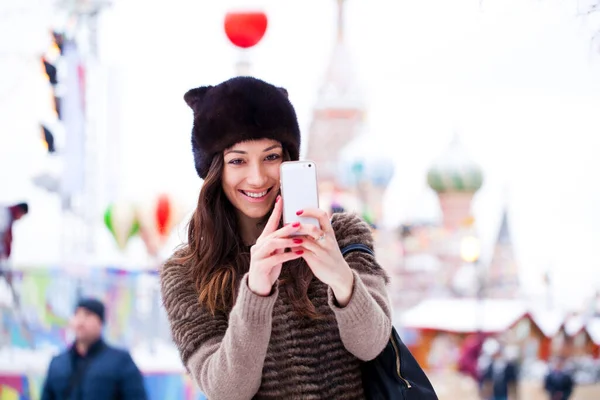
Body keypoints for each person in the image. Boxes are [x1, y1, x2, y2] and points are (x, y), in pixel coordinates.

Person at [160, 76, 392, 399]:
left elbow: (372, 345)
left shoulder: (343, 235)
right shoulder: (186, 273)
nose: (257, 177)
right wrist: (256, 290)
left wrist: (341, 279)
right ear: (216, 169)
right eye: (238, 160)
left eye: (271, 157)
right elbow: (227, 391)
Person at [41, 298, 148, 400]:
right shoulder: (58, 363)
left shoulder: (120, 362)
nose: (80, 322)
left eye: (88, 315)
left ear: (100, 322)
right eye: (77, 315)